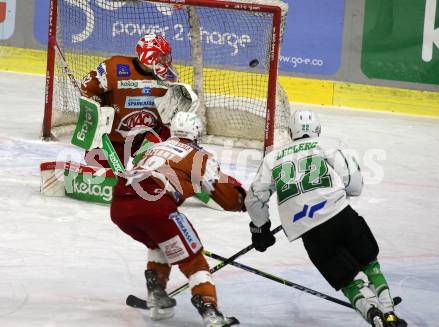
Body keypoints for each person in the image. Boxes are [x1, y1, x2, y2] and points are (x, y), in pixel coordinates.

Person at [244, 110, 407, 327]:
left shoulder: (272, 158)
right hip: (341, 215)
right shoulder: (329, 144)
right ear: (318, 130)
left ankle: (374, 318)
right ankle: (388, 311)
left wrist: (261, 229)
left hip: (310, 230)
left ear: (291, 133)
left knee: (347, 280)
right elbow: (354, 184)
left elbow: (254, 200)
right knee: (369, 262)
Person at [110, 112, 244, 326]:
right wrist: (243, 202)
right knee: (194, 260)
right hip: (155, 206)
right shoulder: (199, 154)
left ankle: (157, 295)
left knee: (159, 242)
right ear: (197, 133)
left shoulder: (155, 147)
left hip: (120, 206)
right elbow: (225, 197)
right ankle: (210, 311)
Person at [80, 33, 178, 167]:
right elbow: (88, 87)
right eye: (161, 56)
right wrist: (97, 109)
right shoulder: (114, 67)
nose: (166, 60)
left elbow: (173, 109)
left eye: (167, 55)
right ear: (148, 56)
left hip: (147, 137)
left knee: (157, 173)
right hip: (112, 137)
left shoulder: (169, 77)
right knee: (105, 178)